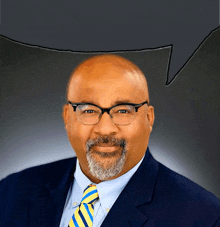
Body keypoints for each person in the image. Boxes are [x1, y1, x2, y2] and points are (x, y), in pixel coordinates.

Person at [0, 54, 220, 227]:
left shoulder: (202, 216)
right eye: (88, 110)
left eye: (123, 110)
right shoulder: (11, 192)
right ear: (67, 117)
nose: (105, 128)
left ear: (149, 118)